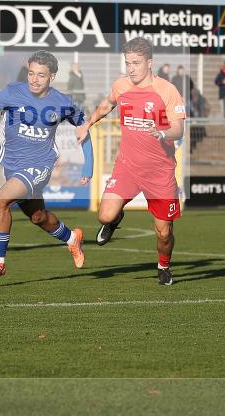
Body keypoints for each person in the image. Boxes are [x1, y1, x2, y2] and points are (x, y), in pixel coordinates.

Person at [0, 50, 92, 278]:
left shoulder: (62, 102)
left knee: (0, 201)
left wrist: (88, 163)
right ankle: (72, 238)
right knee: (38, 217)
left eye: (41, 75)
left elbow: (84, 128)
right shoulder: (13, 92)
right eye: (31, 73)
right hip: (13, 165)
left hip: (40, 165)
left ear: (52, 76)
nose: (34, 79)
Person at [76, 37, 187, 286]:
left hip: (159, 172)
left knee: (164, 232)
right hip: (127, 166)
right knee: (105, 215)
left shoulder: (167, 90)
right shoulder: (121, 85)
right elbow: (108, 103)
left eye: (136, 63)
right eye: (128, 63)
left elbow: (178, 130)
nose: (131, 68)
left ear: (150, 62)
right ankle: (115, 221)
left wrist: (163, 132)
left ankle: (164, 266)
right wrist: (87, 123)